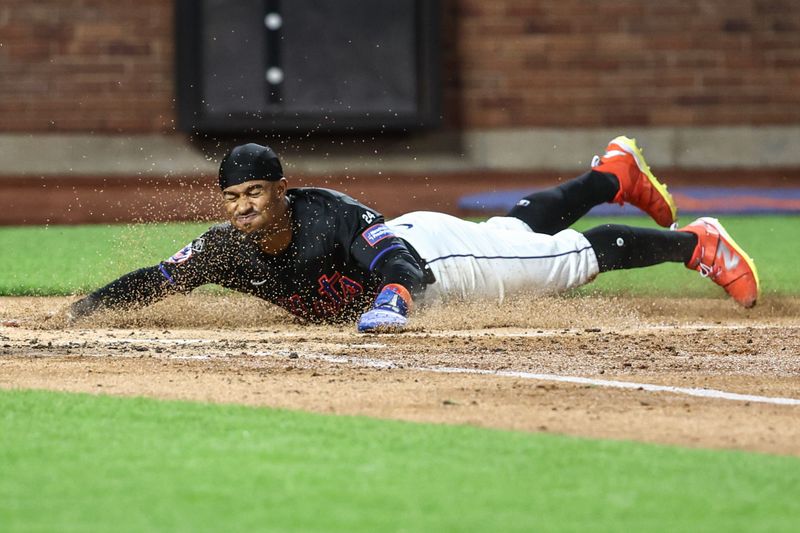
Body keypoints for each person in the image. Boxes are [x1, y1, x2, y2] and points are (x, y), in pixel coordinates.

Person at [68, 137, 760, 332]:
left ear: (283, 188)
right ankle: (612, 174)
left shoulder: (330, 213)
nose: (243, 208)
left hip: (437, 259)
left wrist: (393, 299)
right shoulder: (225, 246)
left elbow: (401, 262)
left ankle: (698, 241)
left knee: (557, 260)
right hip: (420, 247)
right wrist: (86, 309)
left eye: (254, 193)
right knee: (512, 228)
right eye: (232, 198)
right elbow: (158, 280)